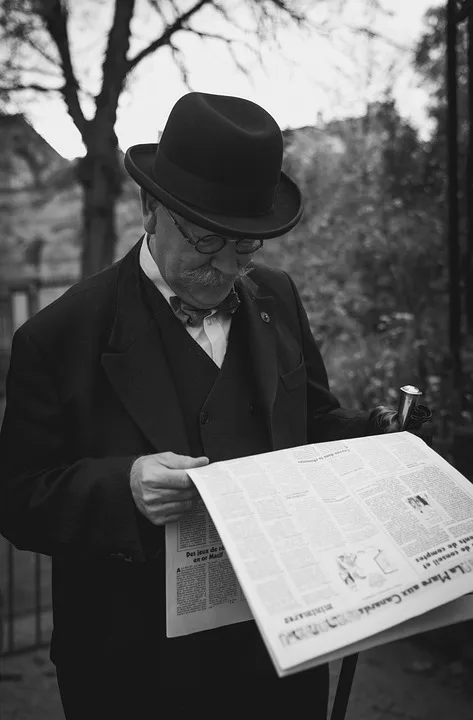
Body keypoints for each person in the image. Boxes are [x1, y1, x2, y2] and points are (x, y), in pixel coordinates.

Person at [0, 92, 408, 719]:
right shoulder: (57, 337)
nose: (224, 269)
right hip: (137, 667)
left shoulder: (276, 295)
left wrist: (374, 433)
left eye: (246, 248)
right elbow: (18, 497)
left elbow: (311, 417)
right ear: (150, 210)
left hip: (281, 653)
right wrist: (123, 485)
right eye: (207, 241)